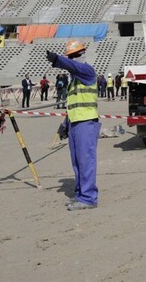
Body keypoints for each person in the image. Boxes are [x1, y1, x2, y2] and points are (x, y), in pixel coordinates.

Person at [46, 39, 100, 211]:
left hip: (86, 122)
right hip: (75, 123)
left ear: (81, 54)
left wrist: (58, 60)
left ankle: (88, 198)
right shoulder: (74, 81)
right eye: (71, 57)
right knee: (77, 162)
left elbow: (74, 66)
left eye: (74, 56)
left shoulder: (87, 71)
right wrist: (65, 124)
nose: (72, 59)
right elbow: (73, 105)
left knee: (85, 161)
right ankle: (80, 195)